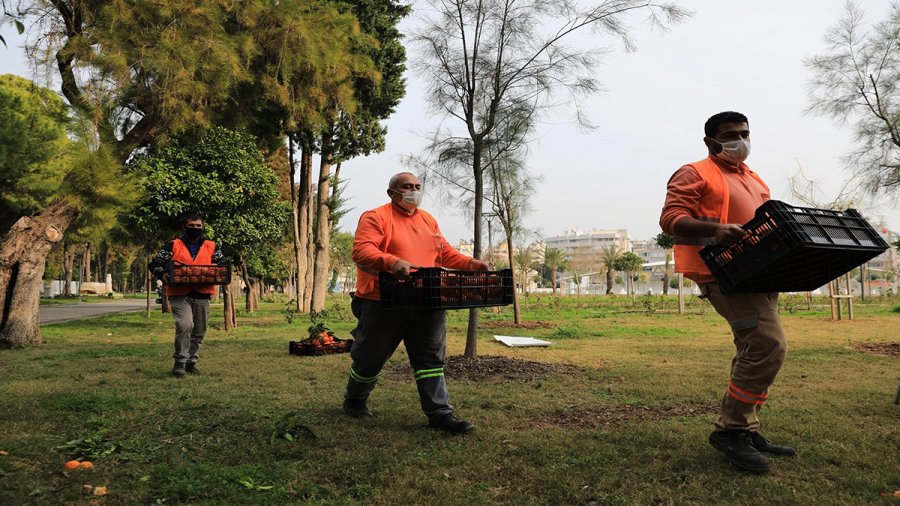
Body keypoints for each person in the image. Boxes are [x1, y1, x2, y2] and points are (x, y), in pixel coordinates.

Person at [659, 111, 796, 473]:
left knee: (753, 348)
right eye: (731, 134)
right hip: (723, 272)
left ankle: (746, 428)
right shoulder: (695, 172)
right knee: (768, 345)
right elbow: (671, 218)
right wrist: (719, 230)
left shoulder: (755, 179)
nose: (741, 140)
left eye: (745, 133)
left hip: (762, 272)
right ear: (710, 141)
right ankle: (731, 430)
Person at [344, 172, 489, 434]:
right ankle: (355, 399)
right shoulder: (376, 217)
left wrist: (470, 264)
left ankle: (440, 413)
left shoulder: (427, 220)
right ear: (392, 193)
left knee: (431, 359)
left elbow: (444, 252)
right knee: (370, 358)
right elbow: (362, 251)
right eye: (407, 187)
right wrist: (391, 262)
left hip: (427, 299)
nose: (414, 191)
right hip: (382, 301)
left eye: (417, 186)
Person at [148, 213, 227, 377]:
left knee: (199, 331)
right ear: (184, 227)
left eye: (199, 226)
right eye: (192, 226)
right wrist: (163, 274)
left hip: (203, 294)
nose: (196, 229)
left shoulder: (211, 246)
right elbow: (154, 263)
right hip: (179, 293)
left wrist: (220, 271)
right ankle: (180, 362)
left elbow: (222, 264)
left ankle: (191, 362)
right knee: (184, 325)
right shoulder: (173, 245)